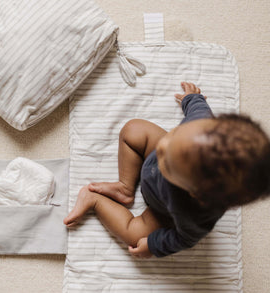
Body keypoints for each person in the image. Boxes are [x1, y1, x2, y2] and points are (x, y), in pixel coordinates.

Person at [63, 82, 270, 259]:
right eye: (175, 134)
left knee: (134, 235)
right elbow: (198, 110)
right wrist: (193, 98)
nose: (162, 147)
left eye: (168, 162)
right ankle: (125, 187)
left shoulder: (194, 214)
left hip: (161, 207)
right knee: (133, 129)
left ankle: (94, 200)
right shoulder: (201, 124)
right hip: (163, 170)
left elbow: (184, 239)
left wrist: (153, 246)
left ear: (195, 193)